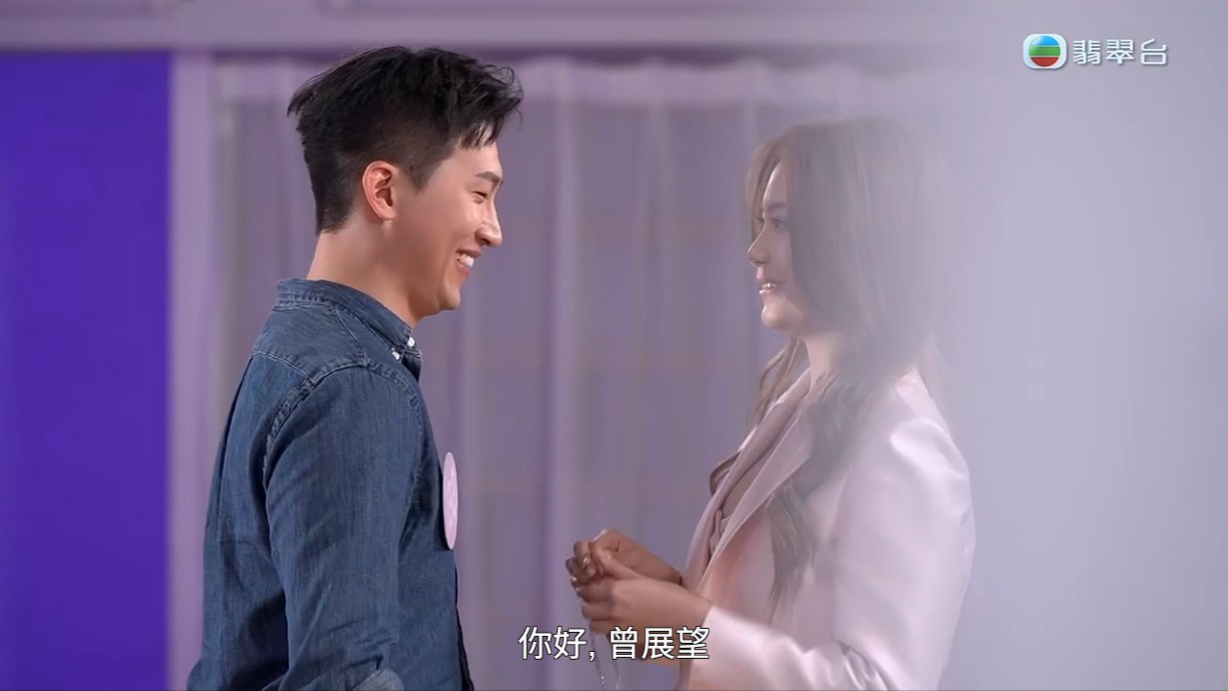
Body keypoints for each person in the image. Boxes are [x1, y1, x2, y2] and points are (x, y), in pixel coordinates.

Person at [568, 117, 975, 690]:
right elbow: (770, 635)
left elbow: (880, 682)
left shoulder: (903, 443)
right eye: (762, 224)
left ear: (853, 236)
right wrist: (671, 596)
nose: (755, 251)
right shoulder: (802, 407)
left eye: (780, 224)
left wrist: (691, 625)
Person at [187, 46, 522, 691]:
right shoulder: (352, 383)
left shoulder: (301, 350)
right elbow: (343, 678)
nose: (493, 230)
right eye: (480, 194)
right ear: (385, 190)